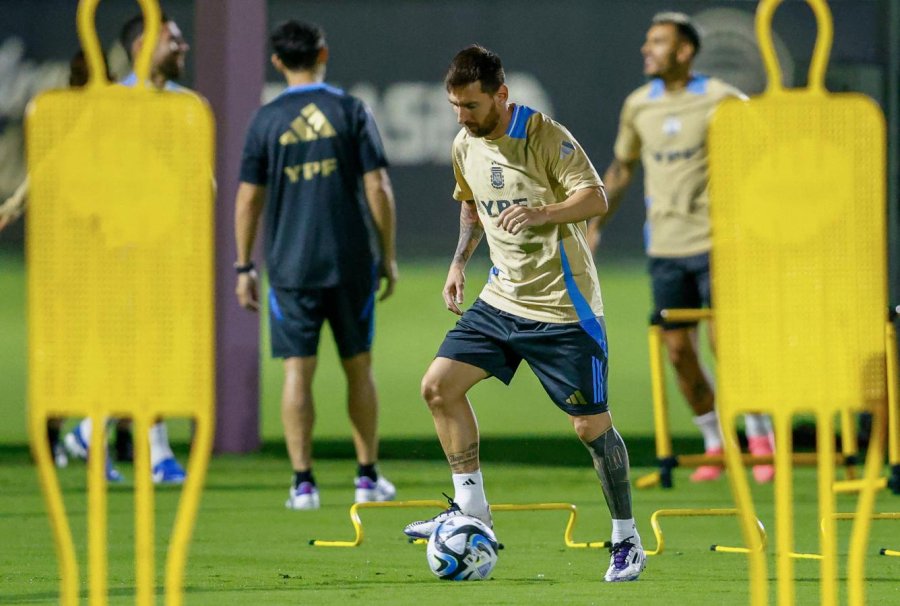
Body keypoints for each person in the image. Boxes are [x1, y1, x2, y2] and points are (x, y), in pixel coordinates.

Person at [403, 45, 646, 583]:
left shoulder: (546, 138)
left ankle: (626, 538)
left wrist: (543, 211)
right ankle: (473, 513)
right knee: (438, 387)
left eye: (471, 105)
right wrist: (459, 262)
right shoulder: (466, 143)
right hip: (499, 301)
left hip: (563, 308)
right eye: (455, 107)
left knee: (589, 427)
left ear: (501, 96)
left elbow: (596, 198)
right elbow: (470, 203)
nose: (462, 117)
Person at [588, 12, 775, 483]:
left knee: (727, 344)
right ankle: (714, 443)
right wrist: (594, 226)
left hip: (719, 244)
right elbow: (622, 168)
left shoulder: (722, 100)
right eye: (648, 41)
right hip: (666, 248)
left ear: (685, 51)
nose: (646, 50)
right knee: (677, 352)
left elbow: (763, 161)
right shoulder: (638, 106)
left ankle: (760, 437)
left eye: (657, 42)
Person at [234, 21, 398, 510]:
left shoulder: (265, 120)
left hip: (290, 268)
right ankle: (367, 479)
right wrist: (386, 254)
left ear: (278, 62)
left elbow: (247, 200)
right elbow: (378, 188)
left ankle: (303, 484)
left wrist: (244, 266)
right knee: (359, 369)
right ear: (323, 53)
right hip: (349, 263)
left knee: (296, 375)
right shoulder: (350, 110)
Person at [62, 12, 193, 485]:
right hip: (121, 252)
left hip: (174, 254)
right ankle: (152, 450)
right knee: (135, 352)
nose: (184, 47)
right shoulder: (112, 104)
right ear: (142, 44)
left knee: (160, 354)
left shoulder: (187, 105)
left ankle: (90, 431)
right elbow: (70, 173)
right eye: (173, 39)